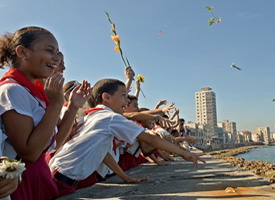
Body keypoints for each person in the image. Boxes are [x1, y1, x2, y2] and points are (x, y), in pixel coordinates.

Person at [49, 78, 205, 196]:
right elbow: (150, 139)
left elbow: (103, 153)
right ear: (106, 98)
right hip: (63, 178)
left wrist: (125, 177)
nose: (126, 100)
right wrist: (184, 153)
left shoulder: (94, 116)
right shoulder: (109, 118)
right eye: (123, 95)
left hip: (61, 174)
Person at [0, 26, 64, 200]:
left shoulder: (31, 92)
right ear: (22, 52)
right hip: (20, 182)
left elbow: (55, 143)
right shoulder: (13, 91)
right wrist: (57, 103)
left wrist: (72, 106)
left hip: (37, 175)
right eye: (49, 50)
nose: (57, 58)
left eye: (57, 52)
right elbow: (30, 152)